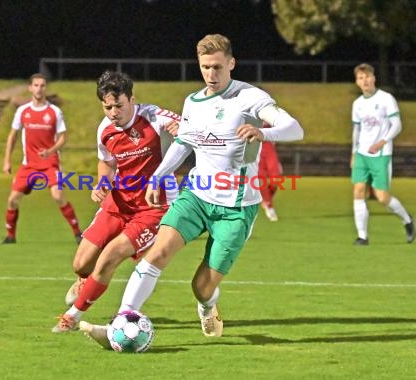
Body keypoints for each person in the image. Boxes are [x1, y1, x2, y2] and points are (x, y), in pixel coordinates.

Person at [78, 34, 303, 344]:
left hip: (236, 208)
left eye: (217, 67)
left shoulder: (251, 98)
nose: (211, 74)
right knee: (156, 254)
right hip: (196, 196)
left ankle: (208, 305)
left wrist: (265, 132)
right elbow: (184, 143)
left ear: (231, 64)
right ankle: (122, 320)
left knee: (202, 286)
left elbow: (295, 128)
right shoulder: (193, 102)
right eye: (205, 67)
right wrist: (158, 176)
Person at [51, 70, 180, 333]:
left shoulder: (154, 117)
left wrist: (181, 129)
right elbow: (106, 161)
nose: (113, 112)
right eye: (107, 106)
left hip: (153, 208)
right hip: (118, 202)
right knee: (81, 264)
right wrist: (102, 181)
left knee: (111, 255)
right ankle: (84, 282)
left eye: (118, 105)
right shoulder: (105, 129)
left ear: (132, 99)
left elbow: (192, 128)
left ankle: (72, 316)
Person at [0, 73, 82, 244]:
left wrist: (51, 151)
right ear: (30, 88)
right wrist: (6, 160)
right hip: (28, 165)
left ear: (46, 88)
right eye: (36, 85)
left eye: (42, 85)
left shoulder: (54, 112)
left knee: (58, 196)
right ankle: (10, 236)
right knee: (12, 200)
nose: (39, 88)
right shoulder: (23, 111)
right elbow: (12, 136)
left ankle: (78, 234)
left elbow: (63, 137)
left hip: (50, 163)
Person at [350, 63, 416, 246]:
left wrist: (382, 141)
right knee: (358, 191)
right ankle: (362, 236)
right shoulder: (357, 104)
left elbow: (397, 125)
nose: (365, 81)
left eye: (367, 77)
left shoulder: (386, 99)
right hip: (362, 154)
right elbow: (357, 129)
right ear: (357, 82)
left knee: (382, 197)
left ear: (374, 78)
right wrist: (354, 152)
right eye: (361, 78)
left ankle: (407, 220)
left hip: (381, 154)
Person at [258, 122, 282, 221]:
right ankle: (269, 207)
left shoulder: (268, 110)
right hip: (256, 148)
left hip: (269, 148)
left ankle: (266, 200)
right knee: (261, 179)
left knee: (276, 180)